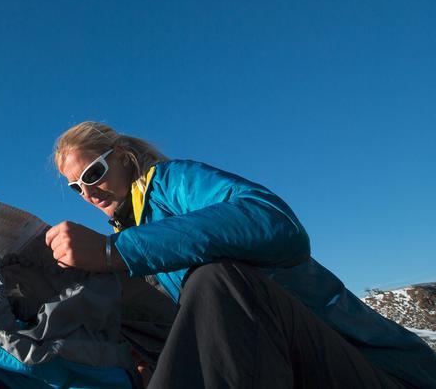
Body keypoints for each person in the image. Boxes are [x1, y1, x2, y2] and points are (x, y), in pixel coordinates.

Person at [44, 121, 436, 389]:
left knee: (217, 280)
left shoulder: (171, 182)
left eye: (93, 173)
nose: (89, 193)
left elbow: (276, 222)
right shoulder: (135, 234)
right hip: (295, 370)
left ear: (123, 156)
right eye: (77, 188)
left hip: (383, 371)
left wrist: (116, 251)